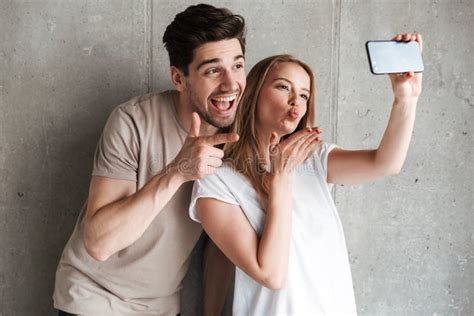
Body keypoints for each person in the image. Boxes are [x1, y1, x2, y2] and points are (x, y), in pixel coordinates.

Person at [190, 33, 423, 315]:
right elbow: (271, 275)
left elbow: (385, 163)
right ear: (252, 94)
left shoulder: (315, 160)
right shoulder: (216, 181)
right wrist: (281, 180)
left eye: (303, 94)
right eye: (282, 87)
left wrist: (406, 99)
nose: (295, 101)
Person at [53, 4, 246, 315]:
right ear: (179, 79)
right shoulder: (133, 121)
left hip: (162, 307)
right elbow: (99, 242)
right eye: (212, 70)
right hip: (95, 298)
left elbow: (223, 245)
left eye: (237, 66)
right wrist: (177, 172)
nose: (230, 84)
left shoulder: (239, 137)